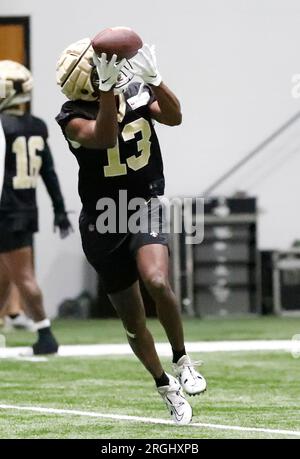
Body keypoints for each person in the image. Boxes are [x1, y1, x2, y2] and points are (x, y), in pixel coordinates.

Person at [56, 38, 206, 424]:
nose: (108, 67)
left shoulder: (135, 92)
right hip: (102, 219)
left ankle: (183, 359)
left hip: (142, 204)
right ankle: (164, 386)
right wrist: (107, 94)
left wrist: (156, 80)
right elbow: (104, 137)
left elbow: (175, 117)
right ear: (90, 81)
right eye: (98, 67)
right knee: (134, 324)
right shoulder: (70, 116)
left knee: (157, 281)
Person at [0, 60, 73, 354]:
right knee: (5, 275)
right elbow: (50, 172)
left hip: (6, 210)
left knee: (22, 276)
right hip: (27, 209)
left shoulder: (4, 127)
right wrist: (58, 209)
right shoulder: (37, 125)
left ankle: (45, 334)